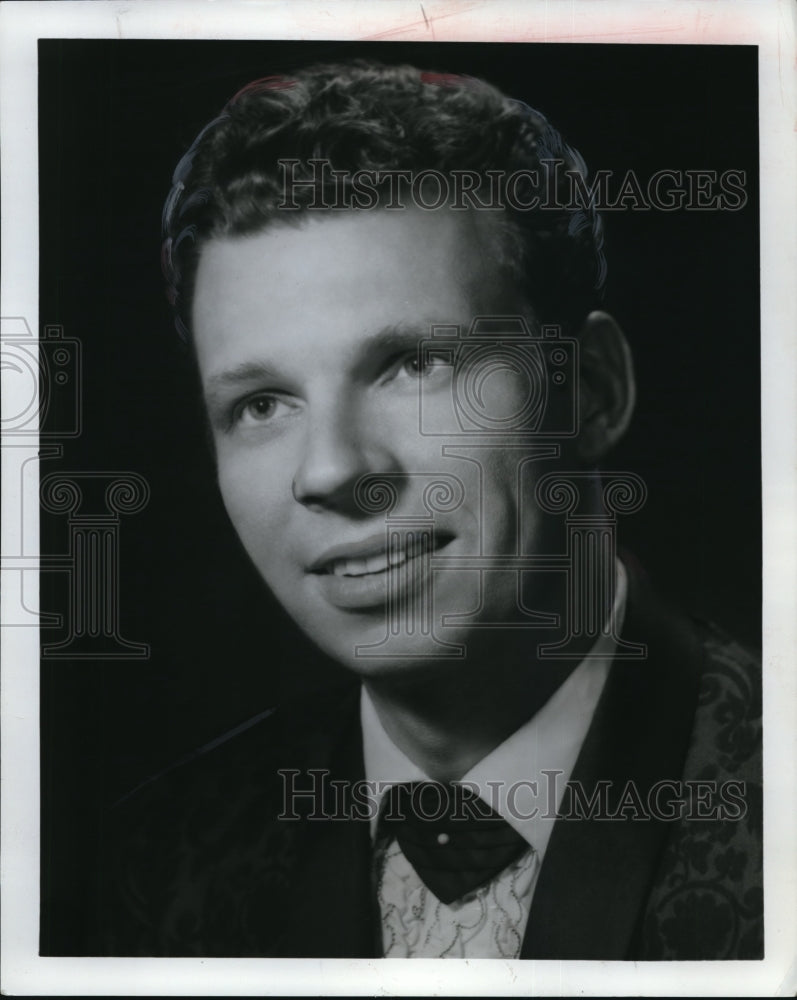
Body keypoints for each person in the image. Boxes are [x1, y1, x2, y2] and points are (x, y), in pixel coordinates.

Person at [94, 61, 762, 960]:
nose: (332, 470)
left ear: (589, 392)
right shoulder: (153, 864)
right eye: (261, 404)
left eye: (413, 364)